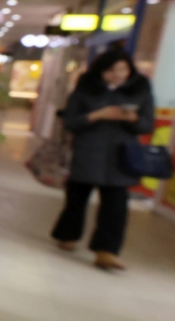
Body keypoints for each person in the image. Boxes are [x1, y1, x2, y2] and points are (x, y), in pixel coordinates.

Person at [51, 49, 154, 270]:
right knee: (76, 199)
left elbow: (147, 124)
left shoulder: (140, 89)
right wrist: (97, 115)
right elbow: (71, 121)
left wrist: (133, 118)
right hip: (88, 151)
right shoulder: (86, 87)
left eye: (123, 69)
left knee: (116, 206)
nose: (117, 74)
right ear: (101, 70)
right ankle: (67, 235)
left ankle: (106, 252)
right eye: (111, 70)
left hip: (120, 155)